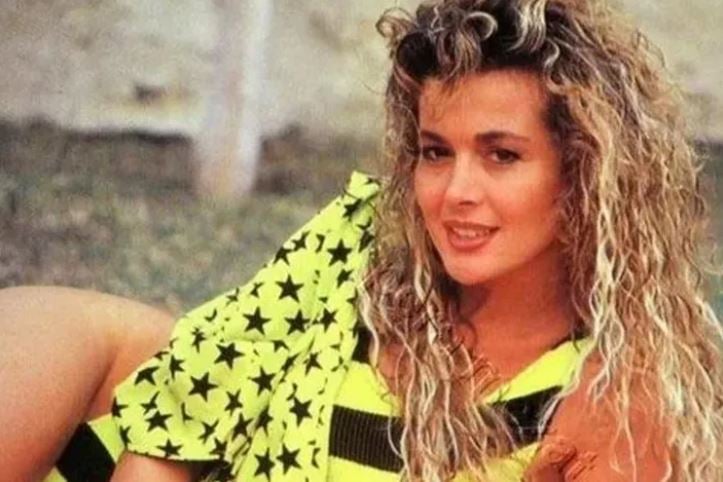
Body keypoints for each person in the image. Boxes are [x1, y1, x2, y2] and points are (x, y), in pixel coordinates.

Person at [2, 0, 721, 480]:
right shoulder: (363, 240)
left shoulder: (618, 388)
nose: (455, 191)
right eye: (435, 151)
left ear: (586, 171)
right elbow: (183, 411)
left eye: (501, 155)